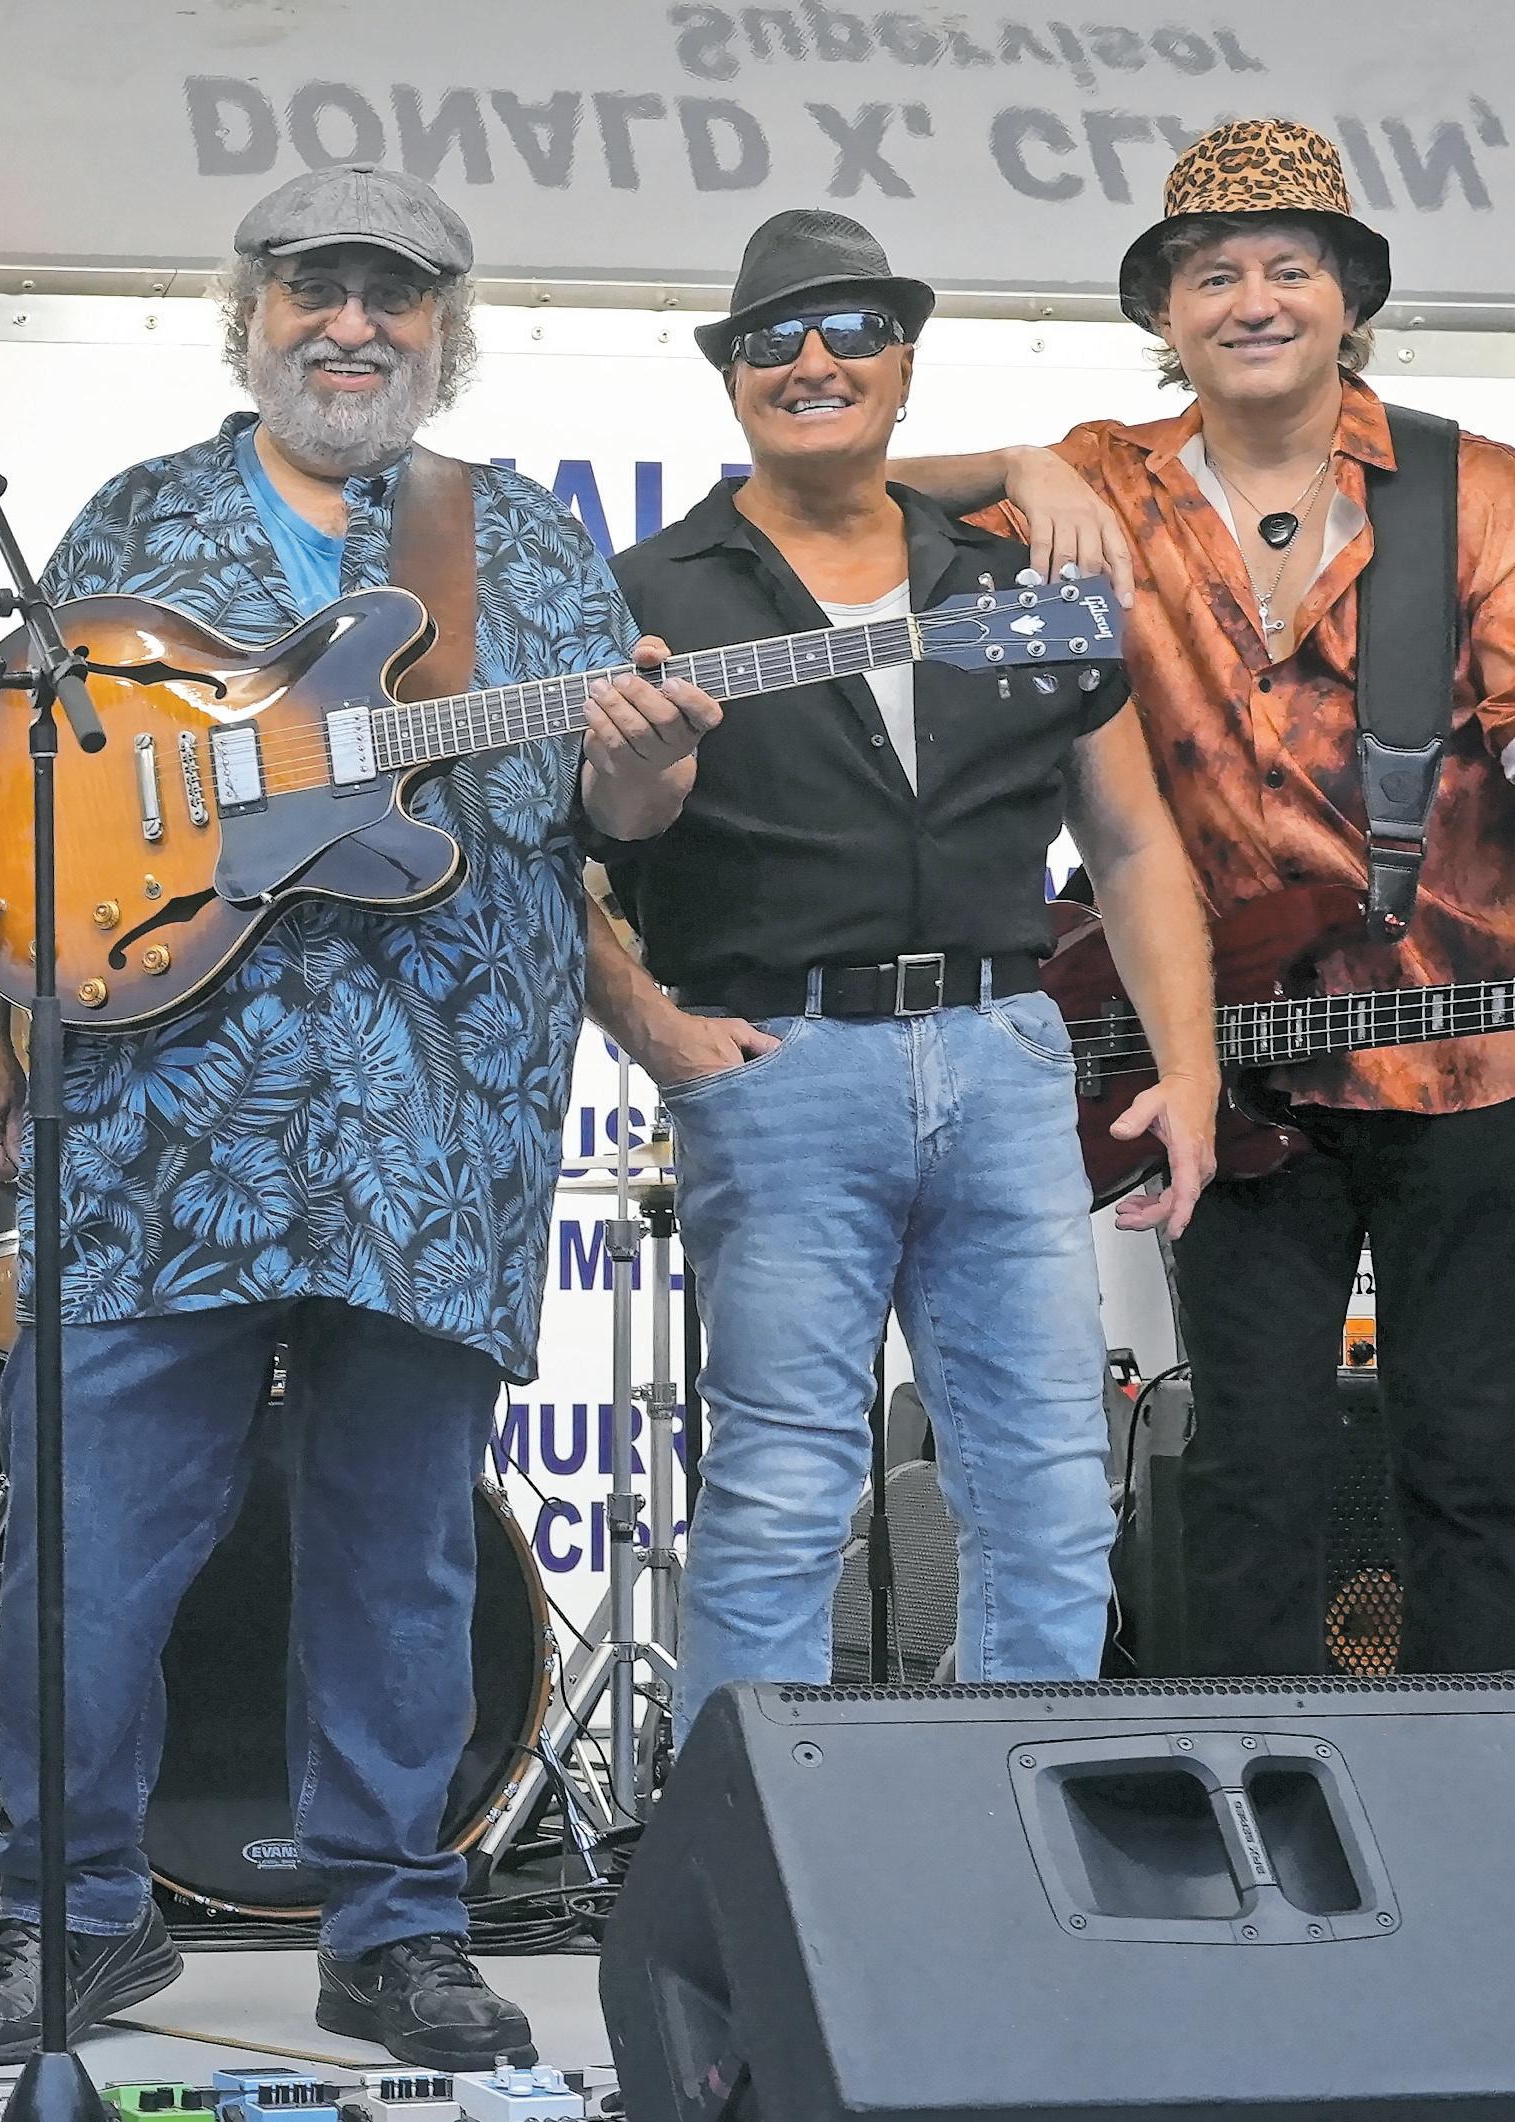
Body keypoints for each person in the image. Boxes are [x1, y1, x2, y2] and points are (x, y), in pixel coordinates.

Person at [0, 164, 714, 2074]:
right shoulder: (137, 521)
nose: (354, 324)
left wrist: (654, 767)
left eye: (394, 294)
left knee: (400, 1547)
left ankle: (396, 1928)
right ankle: (64, 1913)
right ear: (250, 313)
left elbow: (611, 825)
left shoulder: (521, 541)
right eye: (316, 288)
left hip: (436, 1123)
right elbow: (9, 793)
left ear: (446, 330)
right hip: (160, 1124)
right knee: (90, 1536)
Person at [927, 120, 1515, 1685]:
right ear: (1164, 312)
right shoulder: (1095, 483)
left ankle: (1482, 1801)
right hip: (1223, 1068)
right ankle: (1262, 1800)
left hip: (1472, 1058)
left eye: (1289, 268)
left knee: (1481, 1472)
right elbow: (826, 508)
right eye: (1213, 274)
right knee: (1249, 1476)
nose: (1253, 301)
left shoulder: (1472, 486)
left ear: (1350, 297)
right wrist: (1009, 467)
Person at [574, 211, 1217, 1733]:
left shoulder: (1019, 575)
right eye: (773, 338)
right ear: (731, 375)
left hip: (1004, 1055)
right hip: (785, 1068)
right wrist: (658, 1027)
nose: (814, 360)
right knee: (781, 1503)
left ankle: (1016, 1851)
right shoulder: (646, 588)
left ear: (907, 361)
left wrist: (1191, 1072)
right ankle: (749, 1863)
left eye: (854, 329)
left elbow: (1130, 842)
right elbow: (569, 852)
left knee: (1052, 1501)